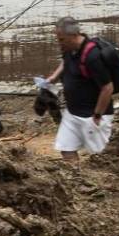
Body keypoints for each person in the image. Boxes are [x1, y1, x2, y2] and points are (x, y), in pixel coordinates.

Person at [45, 17, 114, 160]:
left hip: (92, 116)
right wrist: (53, 78)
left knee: (101, 159)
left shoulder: (92, 56)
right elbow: (65, 62)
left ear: (74, 35)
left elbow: (107, 88)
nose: (59, 43)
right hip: (72, 113)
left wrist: (97, 115)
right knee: (66, 149)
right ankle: (77, 179)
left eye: (62, 39)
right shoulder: (69, 49)